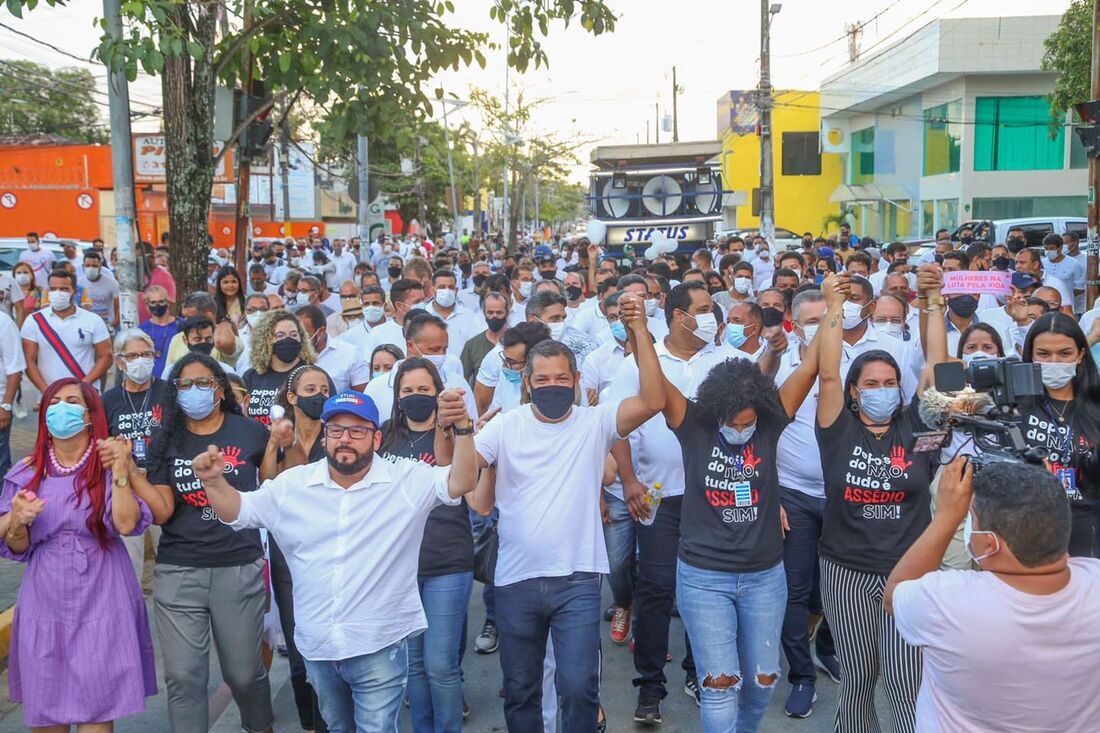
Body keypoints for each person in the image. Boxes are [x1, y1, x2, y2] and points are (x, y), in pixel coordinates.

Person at [194, 386, 478, 733]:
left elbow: (461, 481)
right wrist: (213, 483)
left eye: (357, 431)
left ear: (375, 439)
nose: (346, 439)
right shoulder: (292, 486)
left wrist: (463, 428)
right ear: (325, 437)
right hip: (318, 645)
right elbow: (238, 510)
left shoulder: (404, 479)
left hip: (379, 643)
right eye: (336, 431)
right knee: (337, 726)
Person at [471, 297, 664, 733]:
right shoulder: (504, 426)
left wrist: (642, 334)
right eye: (543, 378)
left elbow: (653, 399)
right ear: (527, 381)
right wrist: (464, 434)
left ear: (577, 379)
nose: (553, 385)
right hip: (515, 580)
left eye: (562, 377)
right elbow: (469, 483)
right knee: (521, 689)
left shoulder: (594, 423)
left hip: (577, 579)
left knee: (579, 688)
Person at [654, 274, 825, 730]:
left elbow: (807, 372)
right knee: (720, 684)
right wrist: (638, 333)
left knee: (763, 681)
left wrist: (832, 310)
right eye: (733, 422)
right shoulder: (694, 427)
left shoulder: (769, 425)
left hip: (765, 578)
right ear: (715, 411)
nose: (741, 428)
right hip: (704, 578)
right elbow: (654, 385)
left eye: (749, 421)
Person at [886, 458, 1100, 732]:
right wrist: (1044, 499)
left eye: (971, 519)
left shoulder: (948, 602)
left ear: (990, 543)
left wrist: (946, 519)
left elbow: (896, 593)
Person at [816, 275, 937, 733]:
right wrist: (834, 304)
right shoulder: (836, 427)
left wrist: (932, 301)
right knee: (859, 679)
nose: (882, 388)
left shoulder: (916, 427)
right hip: (847, 570)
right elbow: (827, 372)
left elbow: (936, 368)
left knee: (908, 683)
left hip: (909, 571)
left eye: (890, 381)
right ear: (854, 390)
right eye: (871, 382)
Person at [131, 353, 276, 732]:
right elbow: (161, 512)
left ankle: (260, 726)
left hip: (238, 566)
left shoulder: (250, 433)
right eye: (184, 385)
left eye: (203, 383)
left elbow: (274, 489)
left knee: (244, 674)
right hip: (180, 568)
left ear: (219, 388)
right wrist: (131, 474)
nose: (194, 391)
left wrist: (282, 445)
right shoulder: (166, 440)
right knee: (183, 678)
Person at [0, 378, 156, 729]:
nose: (61, 410)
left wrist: (120, 473)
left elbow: (127, 523)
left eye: (72, 401)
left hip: (103, 591)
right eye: (53, 403)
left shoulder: (108, 463)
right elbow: (17, 545)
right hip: (45, 596)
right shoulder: (27, 471)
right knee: (47, 707)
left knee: (97, 707)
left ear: (90, 414)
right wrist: (17, 522)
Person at [606, 281, 726, 719]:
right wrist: (630, 481)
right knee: (657, 588)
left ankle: (700, 672)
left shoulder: (729, 361)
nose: (715, 315)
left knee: (707, 588)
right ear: (678, 315)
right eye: (705, 308)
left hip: (715, 498)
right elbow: (615, 425)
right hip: (657, 497)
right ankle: (650, 688)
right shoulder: (638, 365)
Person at [378, 358, 474, 733]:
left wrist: (458, 428)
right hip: (399, 564)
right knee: (413, 665)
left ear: (438, 392)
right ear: (397, 396)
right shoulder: (382, 436)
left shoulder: (454, 436)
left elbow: (466, 483)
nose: (415, 396)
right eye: (407, 390)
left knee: (440, 665)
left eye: (423, 389)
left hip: (447, 560)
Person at [1019, 312, 1100, 556]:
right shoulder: (1012, 407)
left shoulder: (1096, 405)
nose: (1054, 361)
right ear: (1030, 356)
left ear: (1081, 355)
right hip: (1027, 532)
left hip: (1089, 535)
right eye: (1044, 354)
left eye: (1065, 353)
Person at [102, 328, 170, 577]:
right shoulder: (108, 400)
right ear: (120, 361)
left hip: (162, 484)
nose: (141, 360)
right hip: (126, 487)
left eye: (146, 354)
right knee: (129, 560)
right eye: (132, 356)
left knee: (169, 555)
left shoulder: (168, 392)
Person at [21, 268, 112, 393]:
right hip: (51, 395)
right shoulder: (34, 321)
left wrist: (84, 384)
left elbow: (106, 356)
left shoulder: (93, 320)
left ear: (74, 292)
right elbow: (28, 360)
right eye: (53, 289)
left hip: (86, 392)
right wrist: (46, 391)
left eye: (64, 289)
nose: (58, 293)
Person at [241, 310, 317, 423]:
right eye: (280, 335)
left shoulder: (312, 374)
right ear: (265, 340)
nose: (288, 339)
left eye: (294, 335)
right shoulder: (251, 376)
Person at [296, 305, 370, 393]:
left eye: (304, 333)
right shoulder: (290, 354)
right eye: (295, 333)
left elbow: (362, 396)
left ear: (320, 332)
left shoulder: (350, 354)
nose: (299, 338)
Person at [461, 291, 510, 383]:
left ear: (507, 313)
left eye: (499, 312)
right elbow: (462, 379)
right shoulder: (472, 345)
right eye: (490, 312)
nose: (494, 316)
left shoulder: (518, 341)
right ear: (484, 313)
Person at [138, 285, 178, 377]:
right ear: (147, 305)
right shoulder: (142, 329)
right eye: (153, 302)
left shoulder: (180, 326)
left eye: (161, 301)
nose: (157, 305)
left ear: (167, 303)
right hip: (150, 379)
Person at [81, 250, 120, 332]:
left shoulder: (111, 283)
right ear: (83, 266)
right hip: (87, 326)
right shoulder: (80, 283)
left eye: (94, 266)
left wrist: (112, 326)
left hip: (107, 325)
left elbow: (119, 308)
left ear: (100, 266)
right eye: (88, 265)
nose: (91, 268)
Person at [13, 261, 44, 326]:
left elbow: (46, 311)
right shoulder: (10, 292)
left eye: (25, 272)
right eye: (18, 273)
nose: (22, 275)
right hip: (14, 328)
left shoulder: (41, 292)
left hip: (35, 326)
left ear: (32, 275)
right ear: (14, 276)